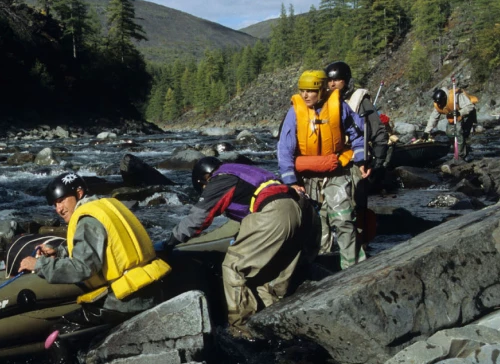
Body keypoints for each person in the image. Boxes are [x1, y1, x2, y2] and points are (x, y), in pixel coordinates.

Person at [156, 156, 318, 335]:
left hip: (276, 212)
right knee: (269, 276)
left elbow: (198, 219)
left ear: (204, 179)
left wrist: (169, 243)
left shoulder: (219, 180)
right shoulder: (245, 172)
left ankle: (242, 330)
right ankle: (276, 329)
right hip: (303, 211)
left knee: (234, 267)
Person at [18, 172, 170, 325]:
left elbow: (82, 268)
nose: (58, 209)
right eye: (55, 204)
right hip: (151, 289)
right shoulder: (105, 206)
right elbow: (109, 248)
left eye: (61, 200)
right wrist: (59, 252)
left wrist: (39, 265)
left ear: (79, 193)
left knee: (61, 329)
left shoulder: (87, 221)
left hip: (126, 301)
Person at [277, 69, 367, 270]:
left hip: (336, 171)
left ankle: (354, 267)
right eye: (302, 91)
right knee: (316, 225)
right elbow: (285, 149)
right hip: (307, 176)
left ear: (322, 90)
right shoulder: (294, 113)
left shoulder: (339, 107)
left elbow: (357, 135)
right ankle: (320, 266)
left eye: (310, 91)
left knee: (343, 218)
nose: (305, 95)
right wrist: (291, 181)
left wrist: (362, 160)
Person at [325, 61, 387, 251]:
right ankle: (331, 247)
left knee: (356, 204)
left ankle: (360, 244)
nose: (333, 84)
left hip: (355, 161)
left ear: (346, 81)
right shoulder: (326, 102)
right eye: (330, 80)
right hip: (333, 160)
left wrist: (378, 160)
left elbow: (378, 130)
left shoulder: (360, 101)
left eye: (338, 80)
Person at [422, 87, 477, 160]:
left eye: (440, 103)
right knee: (450, 133)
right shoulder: (438, 104)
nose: (439, 105)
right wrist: (427, 132)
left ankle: (461, 156)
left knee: (459, 132)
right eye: (438, 103)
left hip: (466, 114)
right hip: (454, 117)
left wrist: (460, 112)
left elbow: (470, 107)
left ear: (444, 98)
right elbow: (433, 118)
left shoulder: (456, 97)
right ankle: (462, 149)